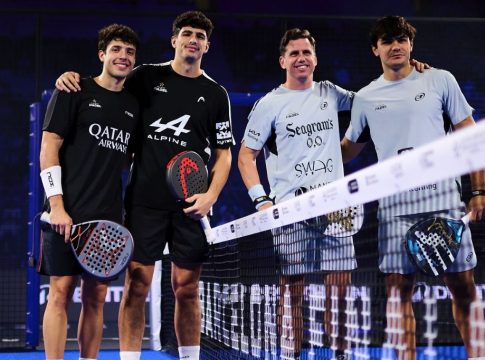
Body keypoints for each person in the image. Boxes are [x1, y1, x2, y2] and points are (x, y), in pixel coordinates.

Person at [56, 11, 234, 360]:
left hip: (189, 206)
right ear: (174, 41)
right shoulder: (146, 77)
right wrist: (72, 77)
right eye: (186, 33)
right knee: (136, 286)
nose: (192, 40)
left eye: (199, 35)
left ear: (207, 46)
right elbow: (108, 86)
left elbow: (225, 154)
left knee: (186, 288)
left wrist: (210, 195)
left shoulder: (216, 94)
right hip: (143, 202)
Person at [341, 16, 485, 360]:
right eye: (388, 41)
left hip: (444, 203)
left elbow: (470, 139)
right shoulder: (365, 97)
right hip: (395, 210)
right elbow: (344, 152)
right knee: (398, 292)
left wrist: (478, 191)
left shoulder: (439, 80)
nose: (396, 46)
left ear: (410, 45)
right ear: (376, 49)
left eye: (402, 39)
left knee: (463, 288)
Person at [238, 28, 357, 360]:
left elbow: (374, 102)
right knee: (291, 291)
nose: (301, 58)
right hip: (290, 211)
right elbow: (246, 156)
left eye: (306, 52)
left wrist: (406, 72)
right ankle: (290, 356)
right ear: (282, 61)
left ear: (315, 59)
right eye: (294, 53)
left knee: (340, 292)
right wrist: (260, 199)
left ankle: (340, 356)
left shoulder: (332, 93)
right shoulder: (269, 104)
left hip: (336, 209)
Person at [39, 24, 139, 360]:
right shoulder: (73, 90)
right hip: (64, 212)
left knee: (95, 298)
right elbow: (49, 146)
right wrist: (56, 205)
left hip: (106, 218)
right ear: (102, 54)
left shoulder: (133, 106)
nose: (123, 56)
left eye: (129, 51)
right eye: (116, 49)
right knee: (60, 292)